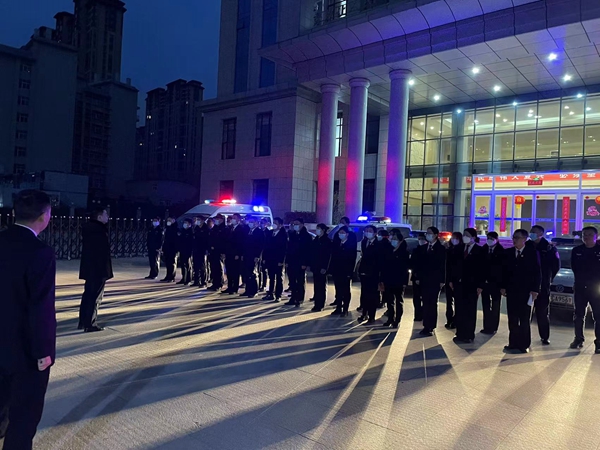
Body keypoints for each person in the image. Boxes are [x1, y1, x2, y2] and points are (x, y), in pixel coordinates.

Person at [0, 190, 55, 450]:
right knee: (24, 416)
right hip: (24, 350)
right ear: (44, 216)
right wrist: (43, 351)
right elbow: (41, 307)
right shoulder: (40, 252)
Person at [501, 229, 541, 353]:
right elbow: (504, 271)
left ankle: (524, 344)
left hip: (526, 291)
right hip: (512, 290)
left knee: (524, 318)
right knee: (512, 318)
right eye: (514, 237)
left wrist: (535, 289)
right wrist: (503, 286)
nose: (515, 240)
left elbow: (537, 272)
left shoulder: (532, 253)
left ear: (524, 239)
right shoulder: (508, 253)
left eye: (517, 238)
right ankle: (513, 342)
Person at [78, 209, 113, 333]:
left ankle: (83, 321)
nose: (107, 216)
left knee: (88, 295)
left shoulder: (89, 229)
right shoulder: (99, 231)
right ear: (99, 217)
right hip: (98, 269)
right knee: (95, 297)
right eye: (105, 214)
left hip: (90, 268)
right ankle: (90, 323)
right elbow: (102, 252)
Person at [569, 226, 600, 353]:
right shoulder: (577, 250)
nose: (586, 237)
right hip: (581, 287)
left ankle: (599, 342)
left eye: (589, 234)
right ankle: (578, 339)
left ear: (596, 236)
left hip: (596, 288)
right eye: (584, 235)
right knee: (578, 315)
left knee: (598, 315)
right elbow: (574, 268)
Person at [452, 228, 484, 343]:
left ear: (473, 237)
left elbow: (483, 269)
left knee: (470, 309)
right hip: (459, 283)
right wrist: (452, 280)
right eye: (464, 235)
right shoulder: (458, 248)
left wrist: (480, 285)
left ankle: (469, 334)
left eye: (467, 235)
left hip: (472, 285)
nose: (464, 237)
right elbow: (453, 265)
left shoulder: (479, 250)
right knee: (459, 308)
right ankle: (460, 332)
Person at [529, 225, 560, 345]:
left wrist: (548, 278)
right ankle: (525, 336)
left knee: (542, 312)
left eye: (534, 232)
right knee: (526, 312)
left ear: (541, 234)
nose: (532, 234)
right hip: (529, 285)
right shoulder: (528, 245)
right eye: (531, 231)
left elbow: (556, 266)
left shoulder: (549, 248)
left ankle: (545, 336)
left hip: (543, 285)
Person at [413, 227, 446, 336]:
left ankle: (430, 326)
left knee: (432, 303)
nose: (428, 235)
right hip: (424, 280)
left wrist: (442, 280)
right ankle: (426, 325)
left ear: (436, 235)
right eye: (427, 233)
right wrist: (417, 277)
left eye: (430, 233)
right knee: (425, 302)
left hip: (435, 280)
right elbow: (419, 264)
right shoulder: (423, 248)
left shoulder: (441, 249)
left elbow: (442, 266)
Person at [380, 230, 410, 328]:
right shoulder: (388, 251)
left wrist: (404, 282)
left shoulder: (404, 253)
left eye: (395, 239)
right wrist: (382, 279)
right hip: (388, 279)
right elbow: (384, 266)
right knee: (389, 300)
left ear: (400, 241)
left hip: (399, 281)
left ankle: (397, 320)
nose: (393, 240)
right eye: (392, 239)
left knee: (398, 301)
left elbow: (405, 269)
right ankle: (390, 318)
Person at [330, 217, 357, 308]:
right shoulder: (337, 238)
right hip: (337, 269)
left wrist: (350, 271)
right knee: (338, 287)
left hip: (345, 269)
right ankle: (338, 304)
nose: (341, 224)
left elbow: (352, 257)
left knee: (345, 289)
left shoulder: (352, 236)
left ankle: (345, 307)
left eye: (343, 222)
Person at [480, 231, 504, 335]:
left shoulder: (501, 251)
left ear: (497, 239)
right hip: (484, 283)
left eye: (491, 238)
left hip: (496, 283)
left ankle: (493, 326)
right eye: (488, 238)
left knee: (495, 305)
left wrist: (502, 285)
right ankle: (486, 326)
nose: (489, 240)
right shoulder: (484, 249)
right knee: (485, 304)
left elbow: (503, 269)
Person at [286, 218, 312, 307]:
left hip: (300, 262)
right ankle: (293, 297)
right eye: (294, 224)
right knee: (292, 280)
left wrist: (305, 263)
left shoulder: (306, 236)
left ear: (302, 224)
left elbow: (308, 251)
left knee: (300, 281)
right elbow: (289, 249)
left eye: (297, 224)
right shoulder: (292, 235)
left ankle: (299, 298)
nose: (295, 226)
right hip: (291, 261)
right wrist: (287, 261)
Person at [357, 225, 381, 324]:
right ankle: (364, 313)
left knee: (372, 295)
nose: (367, 232)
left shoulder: (378, 244)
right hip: (364, 272)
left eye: (370, 231)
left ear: (375, 233)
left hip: (373, 273)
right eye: (366, 231)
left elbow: (379, 261)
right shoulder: (364, 242)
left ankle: (372, 316)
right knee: (364, 294)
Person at [262, 217, 288, 302]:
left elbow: (284, 249)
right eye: (274, 223)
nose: (274, 224)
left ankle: (278, 295)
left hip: (278, 260)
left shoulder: (283, 234)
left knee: (279, 278)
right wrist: (264, 258)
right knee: (271, 277)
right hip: (270, 259)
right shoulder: (270, 233)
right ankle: (270, 293)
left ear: (280, 225)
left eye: (276, 223)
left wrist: (281, 261)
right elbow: (266, 246)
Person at [241, 216, 265, 298]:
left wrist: (257, 256)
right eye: (250, 222)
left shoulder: (259, 232)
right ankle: (248, 290)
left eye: (252, 222)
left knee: (253, 273)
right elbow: (244, 244)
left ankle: (254, 290)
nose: (250, 223)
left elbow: (261, 245)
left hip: (254, 256)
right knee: (247, 273)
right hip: (247, 255)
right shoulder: (248, 231)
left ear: (256, 223)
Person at [310, 223, 332, 312]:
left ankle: (320, 304)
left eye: (319, 229)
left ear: (323, 230)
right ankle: (316, 303)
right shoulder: (316, 240)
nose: (317, 230)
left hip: (322, 267)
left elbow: (327, 256)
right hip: (315, 266)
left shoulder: (327, 241)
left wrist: (325, 267)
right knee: (316, 286)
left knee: (321, 286)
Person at [444, 231, 464, 330]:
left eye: (455, 238)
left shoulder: (461, 250)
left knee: (457, 301)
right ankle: (449, 319)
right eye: (452, 238)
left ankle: (456, 320)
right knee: (449, 301)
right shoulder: (449, 250)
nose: (453, 240)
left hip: (457, 280)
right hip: (448, 279)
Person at [223, 213, 246, 294]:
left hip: (236, 254)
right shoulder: (230, 228)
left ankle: (234, 288)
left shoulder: (241, 229)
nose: (233, 219)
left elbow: (240, 243)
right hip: (228, 253)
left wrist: (238, 254)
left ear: (238, 219)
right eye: (232, 218)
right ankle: (229, 287)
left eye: (234, 218)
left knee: (235, 271)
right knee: (229, 271)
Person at [409, 232, 427, 321]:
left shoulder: (428, 250)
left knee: (425, 297)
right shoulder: (416, 250)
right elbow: (412, 264)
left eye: (422, 239)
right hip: (416, 276)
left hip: (425, 278)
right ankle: (417, 314)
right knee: (416, 297)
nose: (420, 240)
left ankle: (423, 313)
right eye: (419, 239)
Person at [207, 215, 226, 291]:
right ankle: (214, 283)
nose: (216, 220)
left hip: (219, 251)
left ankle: (219, 284)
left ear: (221, 219)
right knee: (213, 268)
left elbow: (223, 241)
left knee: (219, 268)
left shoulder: (224, 228)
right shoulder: (215, 228)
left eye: (217, 219)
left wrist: (223, 251)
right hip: (213, 251)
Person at [192, 216, 210, 288]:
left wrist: (207, 250)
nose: (197, 221)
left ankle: (203, 282)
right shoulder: (196, 228)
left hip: (202, 250)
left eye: (198, 220)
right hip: (196, 249)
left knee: (202, 266)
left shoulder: (206, 229)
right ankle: (196, 281)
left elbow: (207, 240)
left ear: (202, 220)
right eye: (197, 220)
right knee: (196, 266)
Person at [161, 217, 179, 283]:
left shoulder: (176, 229)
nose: (168, 221)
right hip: (167, 248)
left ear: (173, 220)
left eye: (170, 220)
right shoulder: (167, 228)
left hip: (173, 248)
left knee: (172, 263)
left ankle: (172, 277)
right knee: (167, 263)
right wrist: (163, 248)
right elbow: (165, 239)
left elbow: (176, 240)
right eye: (168, 220)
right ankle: (167, 276)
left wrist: (176, 249)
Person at [177, 219, 194, 286]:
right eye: (184, 222)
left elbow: (191, 242)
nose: (185, 224)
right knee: (182, 265)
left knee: (188, 265)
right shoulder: (182, 231)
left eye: (186, 223)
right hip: (182, 250)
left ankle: (189, 279)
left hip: (188, 250)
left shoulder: (191, 232)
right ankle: (183, 278)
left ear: (190, 224)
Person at [258, 218, 270, 292]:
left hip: (265, 254)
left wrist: (265, 257)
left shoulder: (268, 232)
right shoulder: (259, 231)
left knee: (264, 271)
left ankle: (264, 285)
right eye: (261, 222)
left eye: (263, 223)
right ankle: (259, 284)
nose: (261, 224)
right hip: (259, 254)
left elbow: (267, 245)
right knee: (259, 271)